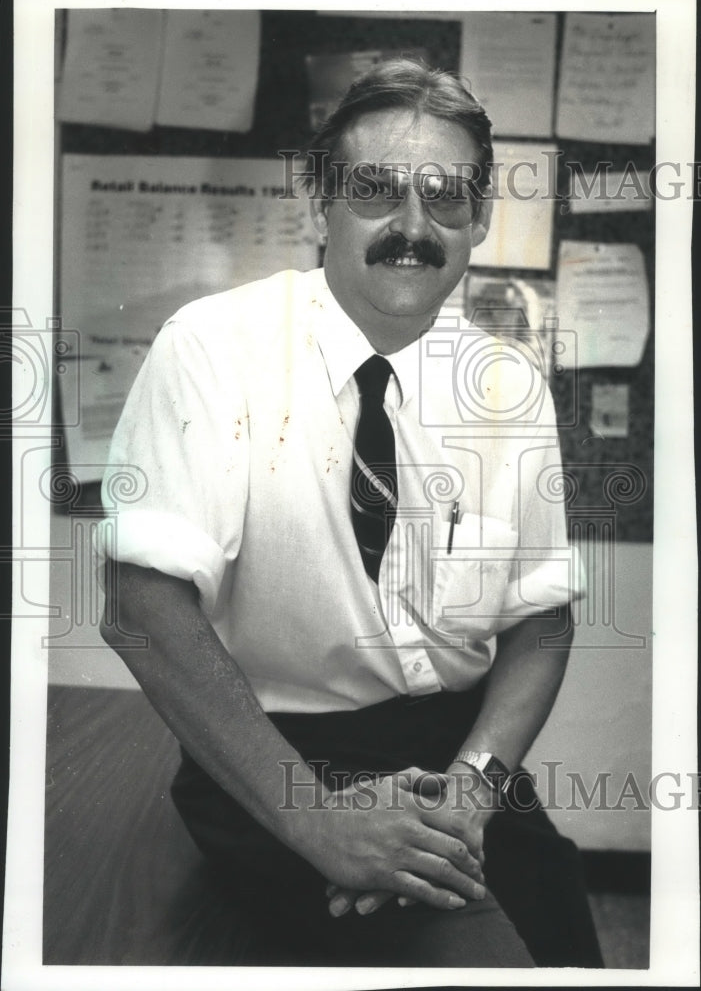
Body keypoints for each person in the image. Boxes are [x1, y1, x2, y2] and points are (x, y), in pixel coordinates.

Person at [98, 59, 603, 969]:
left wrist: (474, 788)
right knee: (475, 962)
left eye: (445, 199)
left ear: (479, 221)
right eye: (375, 191)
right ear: (318, 205)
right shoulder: (213, 348)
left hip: (461, 761)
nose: (412, 228)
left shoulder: (510, 384)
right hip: (272, 753)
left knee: (569, 950)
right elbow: (141, 607)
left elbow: (541, 619)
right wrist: (316, 821)